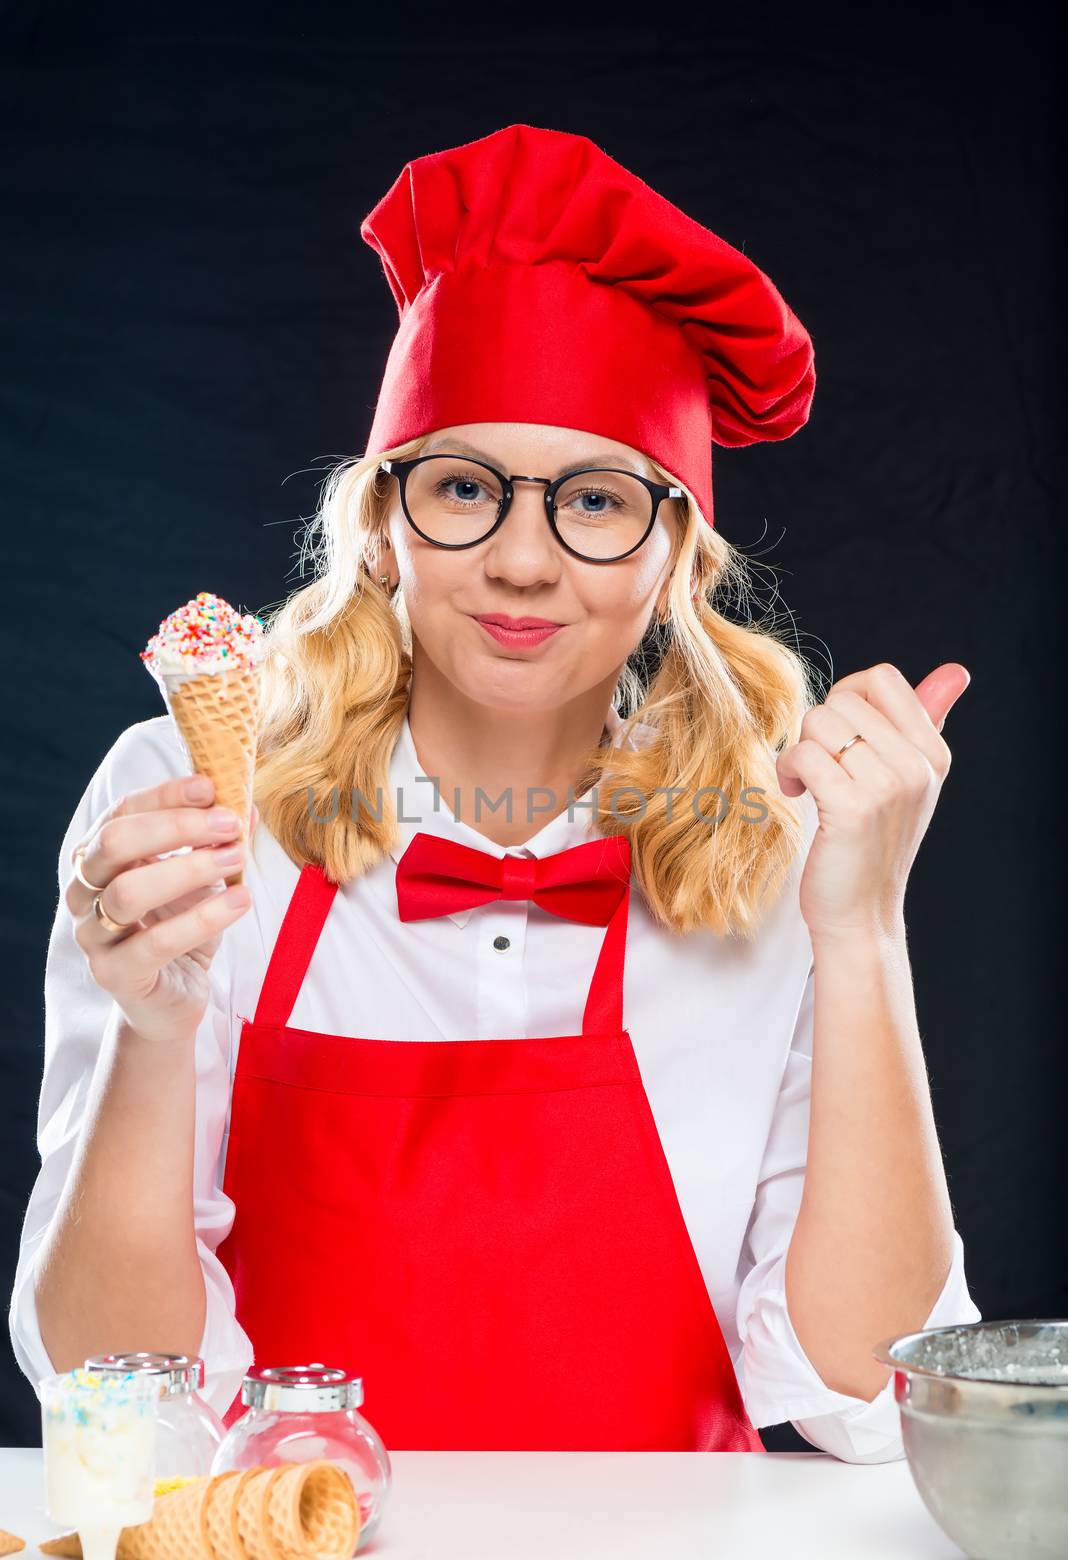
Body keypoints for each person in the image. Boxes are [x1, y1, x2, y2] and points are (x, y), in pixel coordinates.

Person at [9, 123, 981, 1462]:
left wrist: (863, 930)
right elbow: (106, 1395)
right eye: (464, 487)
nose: (523, 561)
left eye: (595, 501)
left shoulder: (787, 839)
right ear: (383, 522)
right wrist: (153, 1029)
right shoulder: (182, 808)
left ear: (676, 555)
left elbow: (872, 1407)